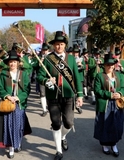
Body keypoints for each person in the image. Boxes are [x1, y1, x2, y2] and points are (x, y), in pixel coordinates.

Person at [37, 31, 83, 160]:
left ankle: (63, 136)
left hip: (68, 95)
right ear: (54, 45)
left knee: (68, 123)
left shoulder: (72, 59)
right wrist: (46, 81)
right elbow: (40, 75)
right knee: (56, 123)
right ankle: (58, 151)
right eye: (57, 44)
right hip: (53, 96)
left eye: (61, 44)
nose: (59, 46)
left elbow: (77, 78)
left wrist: (80, 96)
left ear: (64, 45)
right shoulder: (48, 59)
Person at [0, 49, 32, 159]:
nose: (12, 64)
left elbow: (27, 90)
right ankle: (11, 147)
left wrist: (18, 98)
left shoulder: (24, 74)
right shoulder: (3, 74)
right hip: (7, 103)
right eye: (11, 62)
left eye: (15, 62)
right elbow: (0, 88)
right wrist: (7, 96)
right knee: (9, 126)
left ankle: (18, 141)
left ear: (18, 63)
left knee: (18, 126)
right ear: (8, 63)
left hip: (19, 104)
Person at [93, 52, 124, 157]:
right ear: (104, 66)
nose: (110, 67)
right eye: (107, 65)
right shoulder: (99, 76)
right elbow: (97, 91)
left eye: (112, 65)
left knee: (117, 124)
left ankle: (114, 144)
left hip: (117, 104)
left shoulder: (119, 75)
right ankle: (105, 144)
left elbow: (123, 88)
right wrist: (110, 95)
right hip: (105, 104)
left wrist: (120, 93)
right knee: (105, 124)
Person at [32, 42, 50, 116]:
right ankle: (44, 110)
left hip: (49, 77)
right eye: (43, 50)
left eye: (46, 50)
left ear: (48, 50)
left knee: (49, 93)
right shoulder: (37, 57)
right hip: (41, 77)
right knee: (42, 93)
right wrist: (39, 63)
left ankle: (50, 107)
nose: (44, 51)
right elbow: (33, 66)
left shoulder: (51, 57)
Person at [73, 44, 85, 114]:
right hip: (73, 78)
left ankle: (77, 106)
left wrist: (81, 65)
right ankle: (73, 104)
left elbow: (84, 68)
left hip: (79, 78)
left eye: (77, 52)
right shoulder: (70, 59)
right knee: (73, 92)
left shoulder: (81, 59)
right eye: (74, 52)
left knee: (79, 92)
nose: (75, 54)